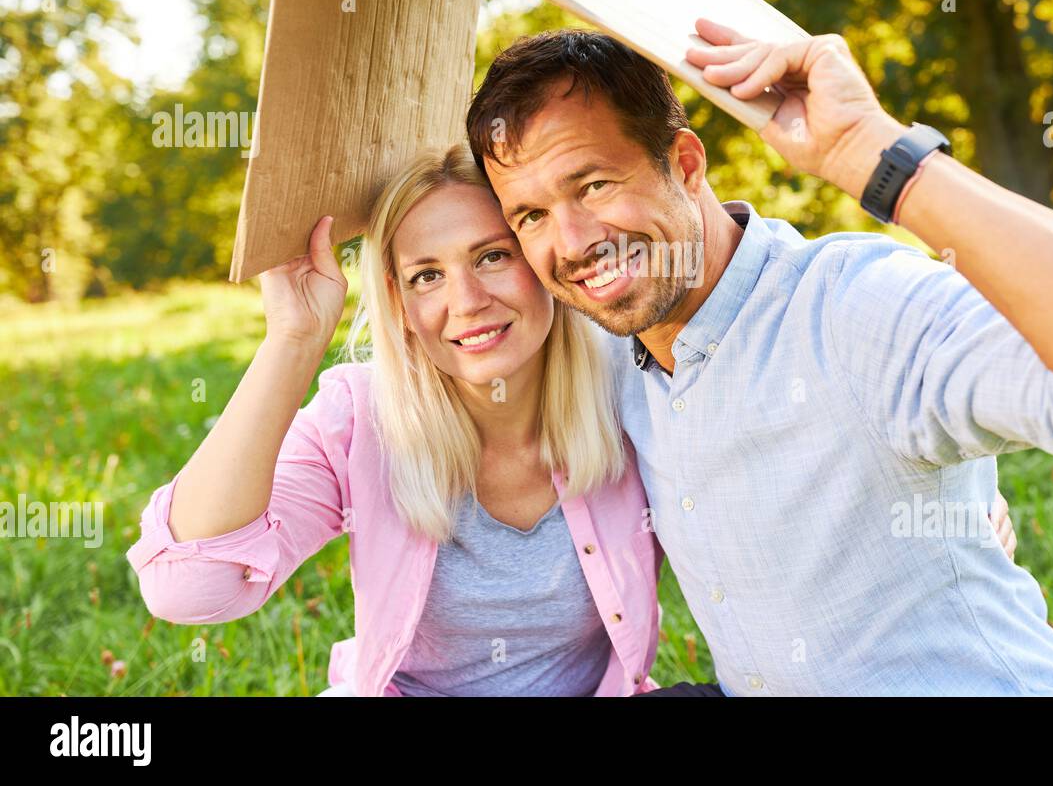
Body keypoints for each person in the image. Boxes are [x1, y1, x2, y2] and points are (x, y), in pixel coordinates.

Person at [464, 22, 1053, 696]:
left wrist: (872, 153)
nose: (570, 243)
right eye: (530, 215)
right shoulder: (601, 363)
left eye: (595, 185)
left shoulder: (856, 308)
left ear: (685, 163)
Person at [125, 144, 661, 696]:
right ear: (397, 302)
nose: (467, 301)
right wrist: (293, 340)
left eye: (493, 257)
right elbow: (185, 589)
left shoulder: (629, 388)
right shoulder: (361, 419)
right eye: (426, 275)